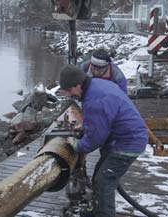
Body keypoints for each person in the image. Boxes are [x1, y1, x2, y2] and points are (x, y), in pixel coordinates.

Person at [59, 64, 148, 217]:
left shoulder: (95, 100)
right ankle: (96, 210)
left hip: (128, 142)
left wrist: (78, 145)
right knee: (99, 176)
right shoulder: (96, 85)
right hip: (120, 138)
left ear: (78, 85)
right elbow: (99, 122)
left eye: (69, 90)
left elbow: (96, 137)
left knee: (104, 181)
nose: (68, 94)